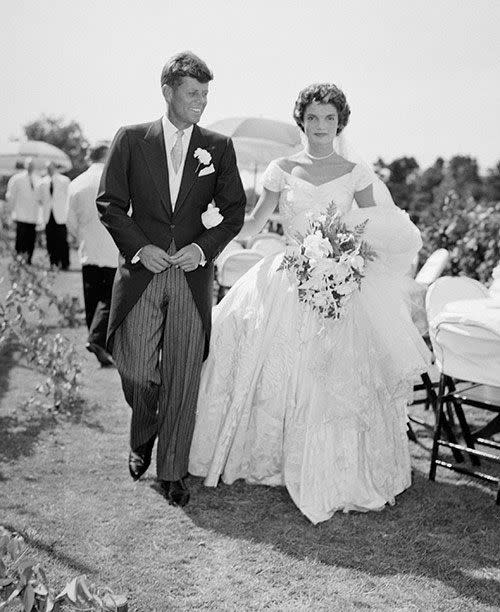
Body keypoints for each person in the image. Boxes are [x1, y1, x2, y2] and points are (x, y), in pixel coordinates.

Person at [189, 83, 431, 524]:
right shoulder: (281, 169)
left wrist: (347, 254)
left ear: (341, 123)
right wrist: (207, 223)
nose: (321, 126)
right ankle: (269, 455)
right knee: (256, 353)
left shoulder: (356, 172)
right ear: (301, 119)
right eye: (314, 117)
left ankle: (336, 462)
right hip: (286, 276)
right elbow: (256, 221)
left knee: (336, 371)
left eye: (329, 119)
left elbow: (374, 226)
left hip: (339, 281)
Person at [97, 51, 246, 507]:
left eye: (205, 94)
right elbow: (110, 204)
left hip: (191, 276)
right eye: (192, 93)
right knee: (137, 366)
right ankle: (143, 430)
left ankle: (173, 471)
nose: (200, 101)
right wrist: (142, 247)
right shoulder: (129, 139)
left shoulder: (218, 147)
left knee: (183, 373)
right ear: (168, 92)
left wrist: (201, 249)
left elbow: (234, 211)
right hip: (142, 272)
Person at [66, 142, 117, 367]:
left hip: (88, 250)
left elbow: (70, 222)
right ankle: (98, 340)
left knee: (92, 298)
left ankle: (95, 340)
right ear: (108, 156)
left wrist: (82, 236)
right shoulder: (116, 180)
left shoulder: (76, 183)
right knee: (110, 296)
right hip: (113, 247)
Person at [5, 158, 41, 263]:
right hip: (21, 215)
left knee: (31, 239)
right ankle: (19, 258)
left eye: (32, 165)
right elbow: (10, 196)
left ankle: (29, 259)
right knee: (21, 239)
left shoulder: (38, 179)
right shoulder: (16, 179)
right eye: (29, 164)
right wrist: (10, 212)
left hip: (33, 216)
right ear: (25, 165)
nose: (30, 167)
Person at [37, 162, 71, 269]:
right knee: (50, 240)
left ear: (55, 168)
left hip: (60, 216)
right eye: (47, 168)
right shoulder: (42, 182)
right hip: (48, 216)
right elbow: (39, 199)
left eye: (51, 168)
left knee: (62, 240)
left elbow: (69, 197)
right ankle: (53, 262)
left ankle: (65, 263)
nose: (49, 170)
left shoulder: (64, 180)